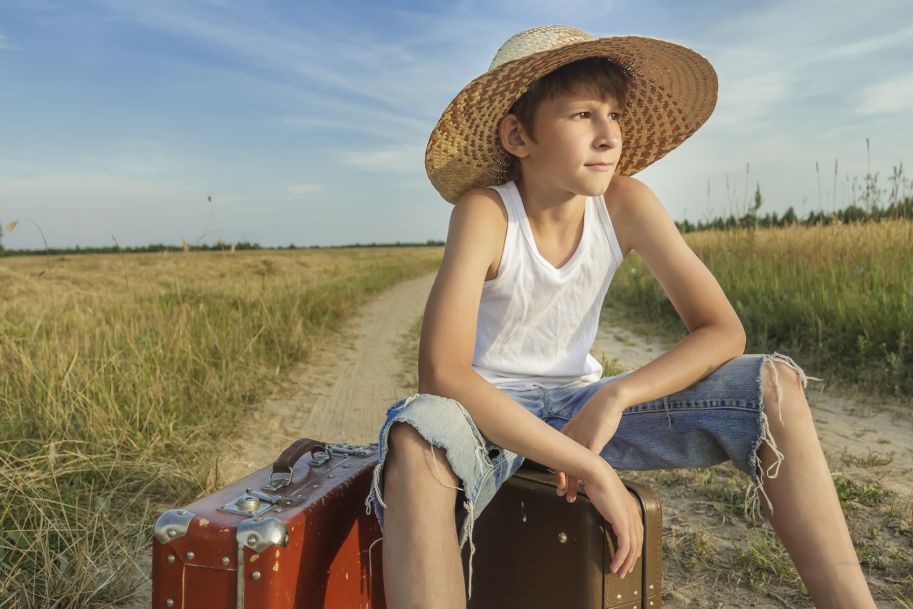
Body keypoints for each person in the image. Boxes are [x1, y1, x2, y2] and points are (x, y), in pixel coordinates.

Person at [363, 24, 877, 609]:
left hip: (584, 406)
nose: (609, 135)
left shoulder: (625, 203)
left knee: (773, 386)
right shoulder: (486, 212)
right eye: (582, 114)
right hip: (490, 417)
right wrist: (591, 468)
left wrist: (615, 396)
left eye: (613, 113)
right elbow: (444, 374)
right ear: (517, 135)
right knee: (417, 434)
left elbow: (723, 330)